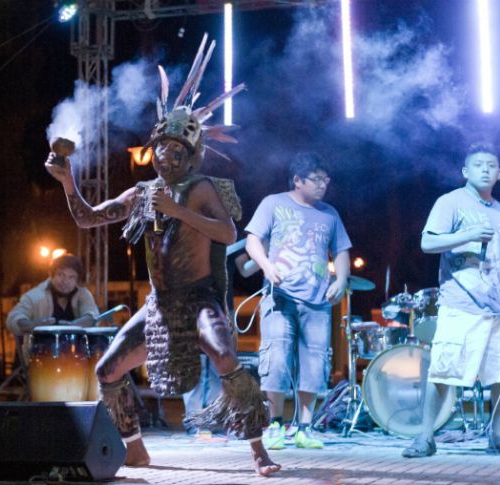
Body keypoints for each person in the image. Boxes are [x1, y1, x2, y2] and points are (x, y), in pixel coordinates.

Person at [45, 35, 280, 477]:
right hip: (160, 305)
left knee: (225, 355)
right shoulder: (142, 193)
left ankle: (258, 450)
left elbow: (227, 232)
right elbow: (87, 219)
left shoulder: (201, 188)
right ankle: (135, 448)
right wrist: (67, 182)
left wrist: (177, 211)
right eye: (161, 150)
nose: (165, 158)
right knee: (108, 369)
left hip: (199, 299)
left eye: (176, 151)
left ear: (191, 156)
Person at [402, 142, 500, 457]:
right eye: (478, 165)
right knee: (443, 370)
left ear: (499, 173)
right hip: (461, 304)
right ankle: (425, 438)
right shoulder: (451, 202)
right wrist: (467, 235)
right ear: (466, 171)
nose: (485, 170)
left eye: (491, 165)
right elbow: (427, 243)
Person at [245, 152, 352, 450]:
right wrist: (267, 266)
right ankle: (276, 424)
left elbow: (341, 250)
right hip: (280, 298)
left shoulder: (330, 214)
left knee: (315, 362)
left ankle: (305, 427)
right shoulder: (273, 203)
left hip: (317, 301)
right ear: (297, 180)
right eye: (316, 180)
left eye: (326, 180)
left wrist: (341, 280)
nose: (323, 185)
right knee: (276, 359)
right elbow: (253, 240)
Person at [182, 239, 260, 436]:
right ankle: (194, 422)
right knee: (193, 364)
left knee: (221, 365)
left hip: (223, 309)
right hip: (191, 305)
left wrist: (264, 252)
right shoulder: (188, 225)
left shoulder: (231, 235)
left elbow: (245, 269)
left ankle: (216, 421)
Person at [6, 254, 99, 366]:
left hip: (78, 360)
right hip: (41, 361)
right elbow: (13, 319)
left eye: (71, 277)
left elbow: (93, 317)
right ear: (51, 275)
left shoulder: (83, 295)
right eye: (61, 275)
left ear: (77, 281)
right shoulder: (35, 296)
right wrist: (34, 325)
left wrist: (72, 326)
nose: (65, 281)